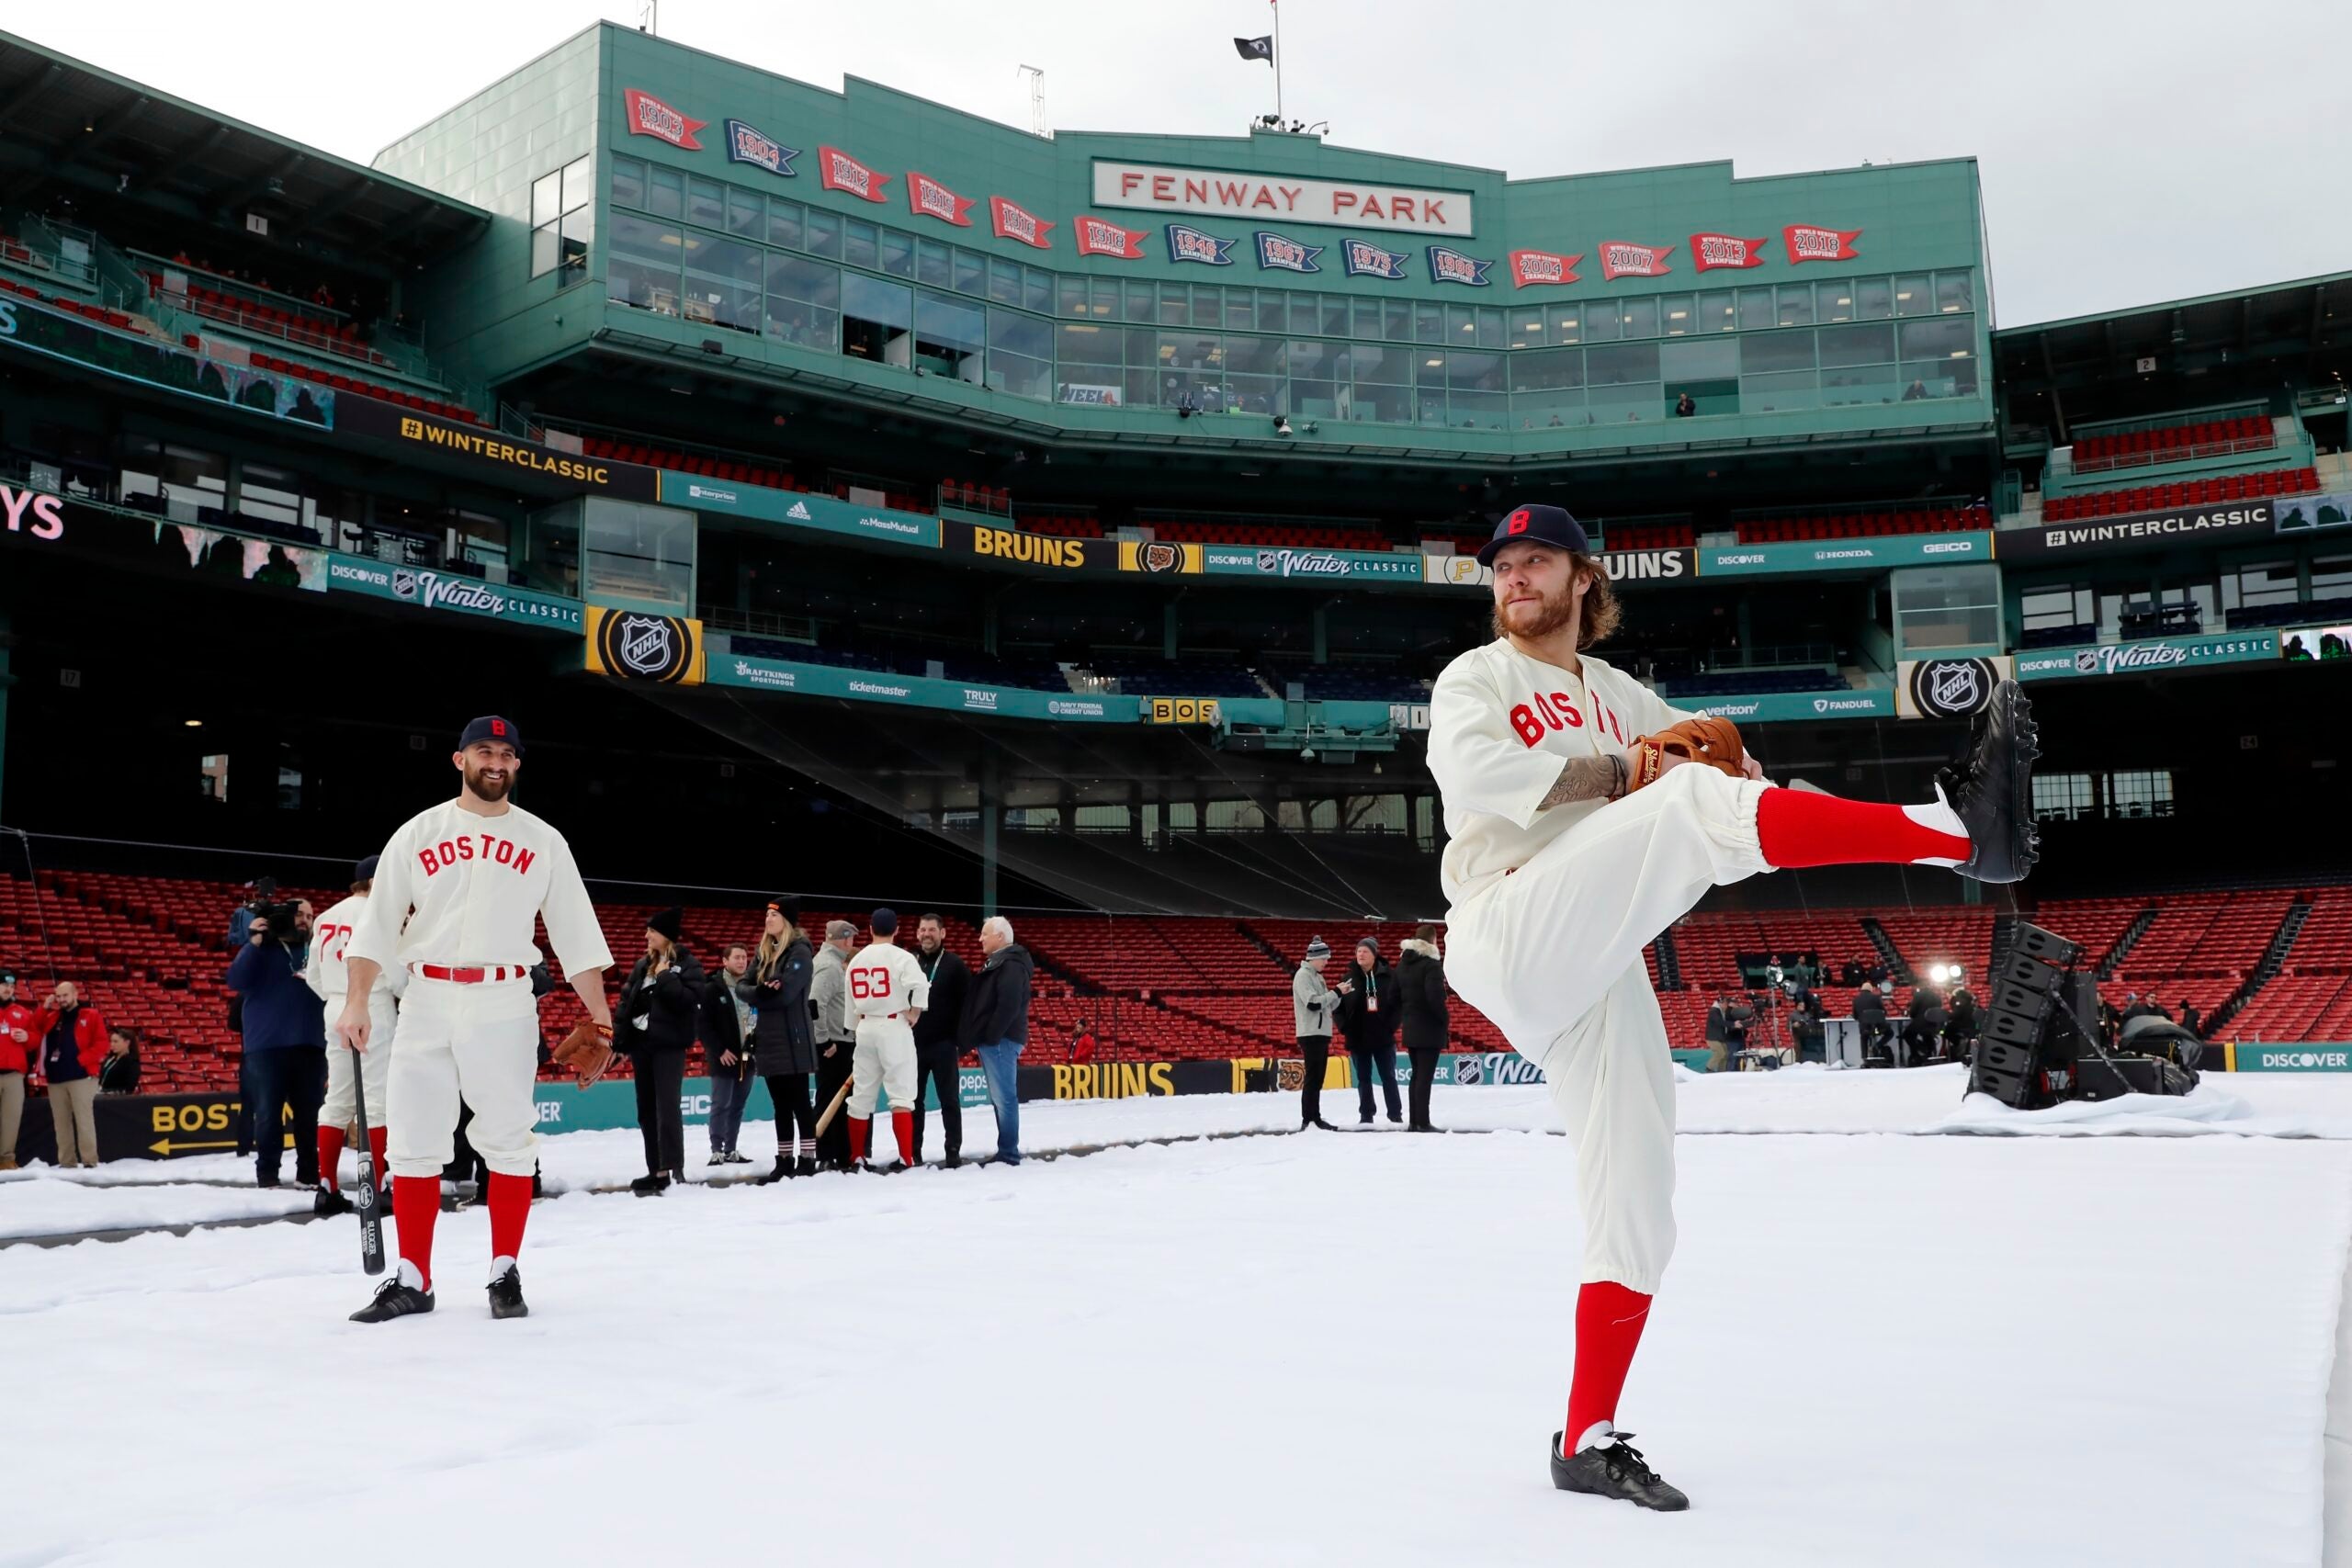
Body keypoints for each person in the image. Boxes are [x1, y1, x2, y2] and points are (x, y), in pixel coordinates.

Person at [1425, 502, 2038, 1508]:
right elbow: (1479, 780)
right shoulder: (1477, 678)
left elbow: (1738, 787)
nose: (1514, 578)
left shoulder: (1622, 692)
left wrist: (1736, 770)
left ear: (1584, 579)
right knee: (1682, 799)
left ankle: (1585, 1436)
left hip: (1594, 959)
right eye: (1502, 566)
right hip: (1504, 921)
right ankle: (1955, 833)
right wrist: (1641, 769)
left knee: (1636, 1203)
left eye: (1536, 561)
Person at [337, 716, 615, 1325]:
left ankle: (504, 1269)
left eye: (507, 753)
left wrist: (601, 1014)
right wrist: (357, 998)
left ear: (517, 765)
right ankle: (413, 1276)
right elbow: (377, 923)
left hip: (504, 997)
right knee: (412, 1139)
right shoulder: (419, 831)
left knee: (509, 1138)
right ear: (459, 759)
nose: (496, 761)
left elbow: (575, 932)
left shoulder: (543, 839)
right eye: (484, 750)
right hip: (426, 995)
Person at [305, 856, 397, 1216]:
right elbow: (397, 973)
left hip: (335, 1007)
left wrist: (336, 997)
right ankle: (376, 1187)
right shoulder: (378, 914)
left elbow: (312, 975)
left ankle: (326, 1185)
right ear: (374, 882)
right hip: (373, 1004)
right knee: (375, 1101)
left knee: (338, 1099)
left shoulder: (327, 916)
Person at [229, 901, 326, 1188]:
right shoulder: (264, 949)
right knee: (269, 1114)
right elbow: (236, 980)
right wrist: (254, 941)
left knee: (310, 1115)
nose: (305, 921)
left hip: (312, 1043)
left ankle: (308, 1174)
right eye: (299, 915)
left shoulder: (317, 950)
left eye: (310, 916)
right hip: (267, 1046)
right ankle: (268, 1175)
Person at [616, 908, 706, 1195]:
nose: (646, 936)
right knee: (646, 1110)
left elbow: (689, 1001)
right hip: (642, 1047)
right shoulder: (642, 965)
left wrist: (666, 976)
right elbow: (625, 1003)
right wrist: (619, 1042)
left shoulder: (688, 964)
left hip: (669, 1047)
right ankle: (655, 1170)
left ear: (665, 935)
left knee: (667, 1109)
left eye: (652, 931)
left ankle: (672, 1168)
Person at [842, 908, 929, 1170]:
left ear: (870, 929)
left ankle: (857, 1156)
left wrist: (857, 1028)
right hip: (893, 1025)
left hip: (865, 1026)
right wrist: (915, 1011)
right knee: (901, 1095)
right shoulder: (902, 956)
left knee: (861, 1096)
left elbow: (849, 1003)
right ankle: (906, 1157)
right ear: (896, 930)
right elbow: (921, 985)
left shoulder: (856, 960)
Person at [750, 899, 819, 1182]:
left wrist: (763, 991)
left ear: (786, 921)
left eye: (773, 915)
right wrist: (763, 990)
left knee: (800, 1102)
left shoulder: (799, 951)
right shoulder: (763, 952)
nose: (767, 919)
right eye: (766, 914)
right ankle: (784, 1160)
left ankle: (808, 1158)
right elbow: (744, 986)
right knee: (780, 1105)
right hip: (768, 1038)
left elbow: (787, 993)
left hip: (794, 1039)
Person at [964, 916, 1033, 1165]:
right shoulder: (1003, 962)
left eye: (985, 934)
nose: (980, 938)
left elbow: (1008, 1005)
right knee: (1001, 1098)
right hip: (998, 1039)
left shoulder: (1011, 965)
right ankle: (1006, 1150)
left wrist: (991, 1036)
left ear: (1000, 937)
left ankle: (1008, 1153)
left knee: (1004, 1099)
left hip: (1001, 1040)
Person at [909, 913, 972, 1167]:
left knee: (949, 1100)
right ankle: (913, 1151)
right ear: (917, 933)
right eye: (922, 929)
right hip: (912, 1044)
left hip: (944, 1044)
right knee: (913, 1101)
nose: (926, 934)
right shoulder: (909, 962)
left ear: (942, 933)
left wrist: (959, 1040)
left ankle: (953, 1150)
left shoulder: (955, 965)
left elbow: (968, 1005)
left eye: (932, 930)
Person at [30, 982, 107, 1168]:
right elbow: (35, 1027)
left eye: (65, 995)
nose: (62, 1000)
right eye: (58, 996)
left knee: (84, 1121)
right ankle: (67, 1162)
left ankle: (90, 1161)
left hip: (81, 1076)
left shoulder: (91, 1015)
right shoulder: (53, 1016)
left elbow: (102, 1044)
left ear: (75, 994)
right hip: (56, 1078)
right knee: (61, 1123)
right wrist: (44, 1008)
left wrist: (81, 1060)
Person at [699, 943, 757, 1168]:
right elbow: (703, 1025)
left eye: (744, 957)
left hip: (746, 1056)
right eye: (737, 958)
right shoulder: (712, 988)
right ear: (725, 961)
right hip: (723, 1056)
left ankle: (731, 1148)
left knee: (738, 1105)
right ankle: (716, 1149)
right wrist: (718, 1050)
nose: (742, 961)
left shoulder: (751, 987)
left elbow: (754, 1017)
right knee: (721, 1104)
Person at [1335, 937, 1403, 1125]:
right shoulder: (1347, 978)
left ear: (1374, 954)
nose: (1360, 954)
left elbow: (1399, 1005)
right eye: (1358, 951)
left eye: (1365, 951)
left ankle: (1395, 1114)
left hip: (1383, 1036)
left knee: (1388, 1076)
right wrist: (1344, 1027)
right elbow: (1337, 1006)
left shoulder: (1390, 976)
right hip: (1357, 1036)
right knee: (1363, 1079)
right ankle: (1366, 1115)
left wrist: (1391, 1027)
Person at [808, 919, 858, 1171]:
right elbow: (815, 1004)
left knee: (836, 1100)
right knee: (832, 1099)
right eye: (851, 939)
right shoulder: (829, 966)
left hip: (838, 1040)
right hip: (835, 1044)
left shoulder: (828, 962)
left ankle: (837, 1153)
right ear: (845, 939)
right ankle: (827, 1154)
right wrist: (824, 1039)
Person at [1395, 926, 1449, 1132]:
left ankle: (1414, 1122)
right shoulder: (1431, 965)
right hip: (1429, 1028)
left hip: (1410, 1027)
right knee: (1424, 1077)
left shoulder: (1402, 965)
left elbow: (1393, 996)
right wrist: (1444, 1018)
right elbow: (1434, 996)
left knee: (1416, 1075)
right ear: (1433, 941)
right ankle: (1423, 1122)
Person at [1292, 937, 1344, 1130]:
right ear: (1314, 958)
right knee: (1313, 1078)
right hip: (1311, 1032)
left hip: (1319, 1032)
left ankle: (1315, 1117)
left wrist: (1340, 993)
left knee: (1318, 1078)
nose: (1326, 962)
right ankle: (1309, 1119)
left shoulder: (1316, 976)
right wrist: (1335, 992)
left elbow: (1326, 1003)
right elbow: (1313, 1003)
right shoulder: (1304, 976)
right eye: (1324, 959)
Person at [0, 973, 34, 1169]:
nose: (8, 989)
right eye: (4, 985)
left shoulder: (22, 1012)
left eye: (11, 987)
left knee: (11, 1119)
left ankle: (6, 1159)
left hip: (14, 1075)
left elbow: (35, 1039)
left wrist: (27, 1037)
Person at [1851, 980, 1892, 1066]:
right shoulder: (1876, 998)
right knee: (1890, 1033)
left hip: (1865, 1029)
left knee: (1864, 1038)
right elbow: (1884, 1012)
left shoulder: (1856, 1000)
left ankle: (1865, 1058)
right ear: (1871, 990)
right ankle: (1878, 1046)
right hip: (1879, 1029)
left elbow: (1855, 1016)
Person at [100, 1028, 141, 1095]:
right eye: (111, 1041)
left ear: (127, 1042)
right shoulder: (110, 1059)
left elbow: (129, 1088)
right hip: (102, 1097)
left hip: (117, 1100)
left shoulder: (132, 1062)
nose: (112, 1044)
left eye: (116, 1041)